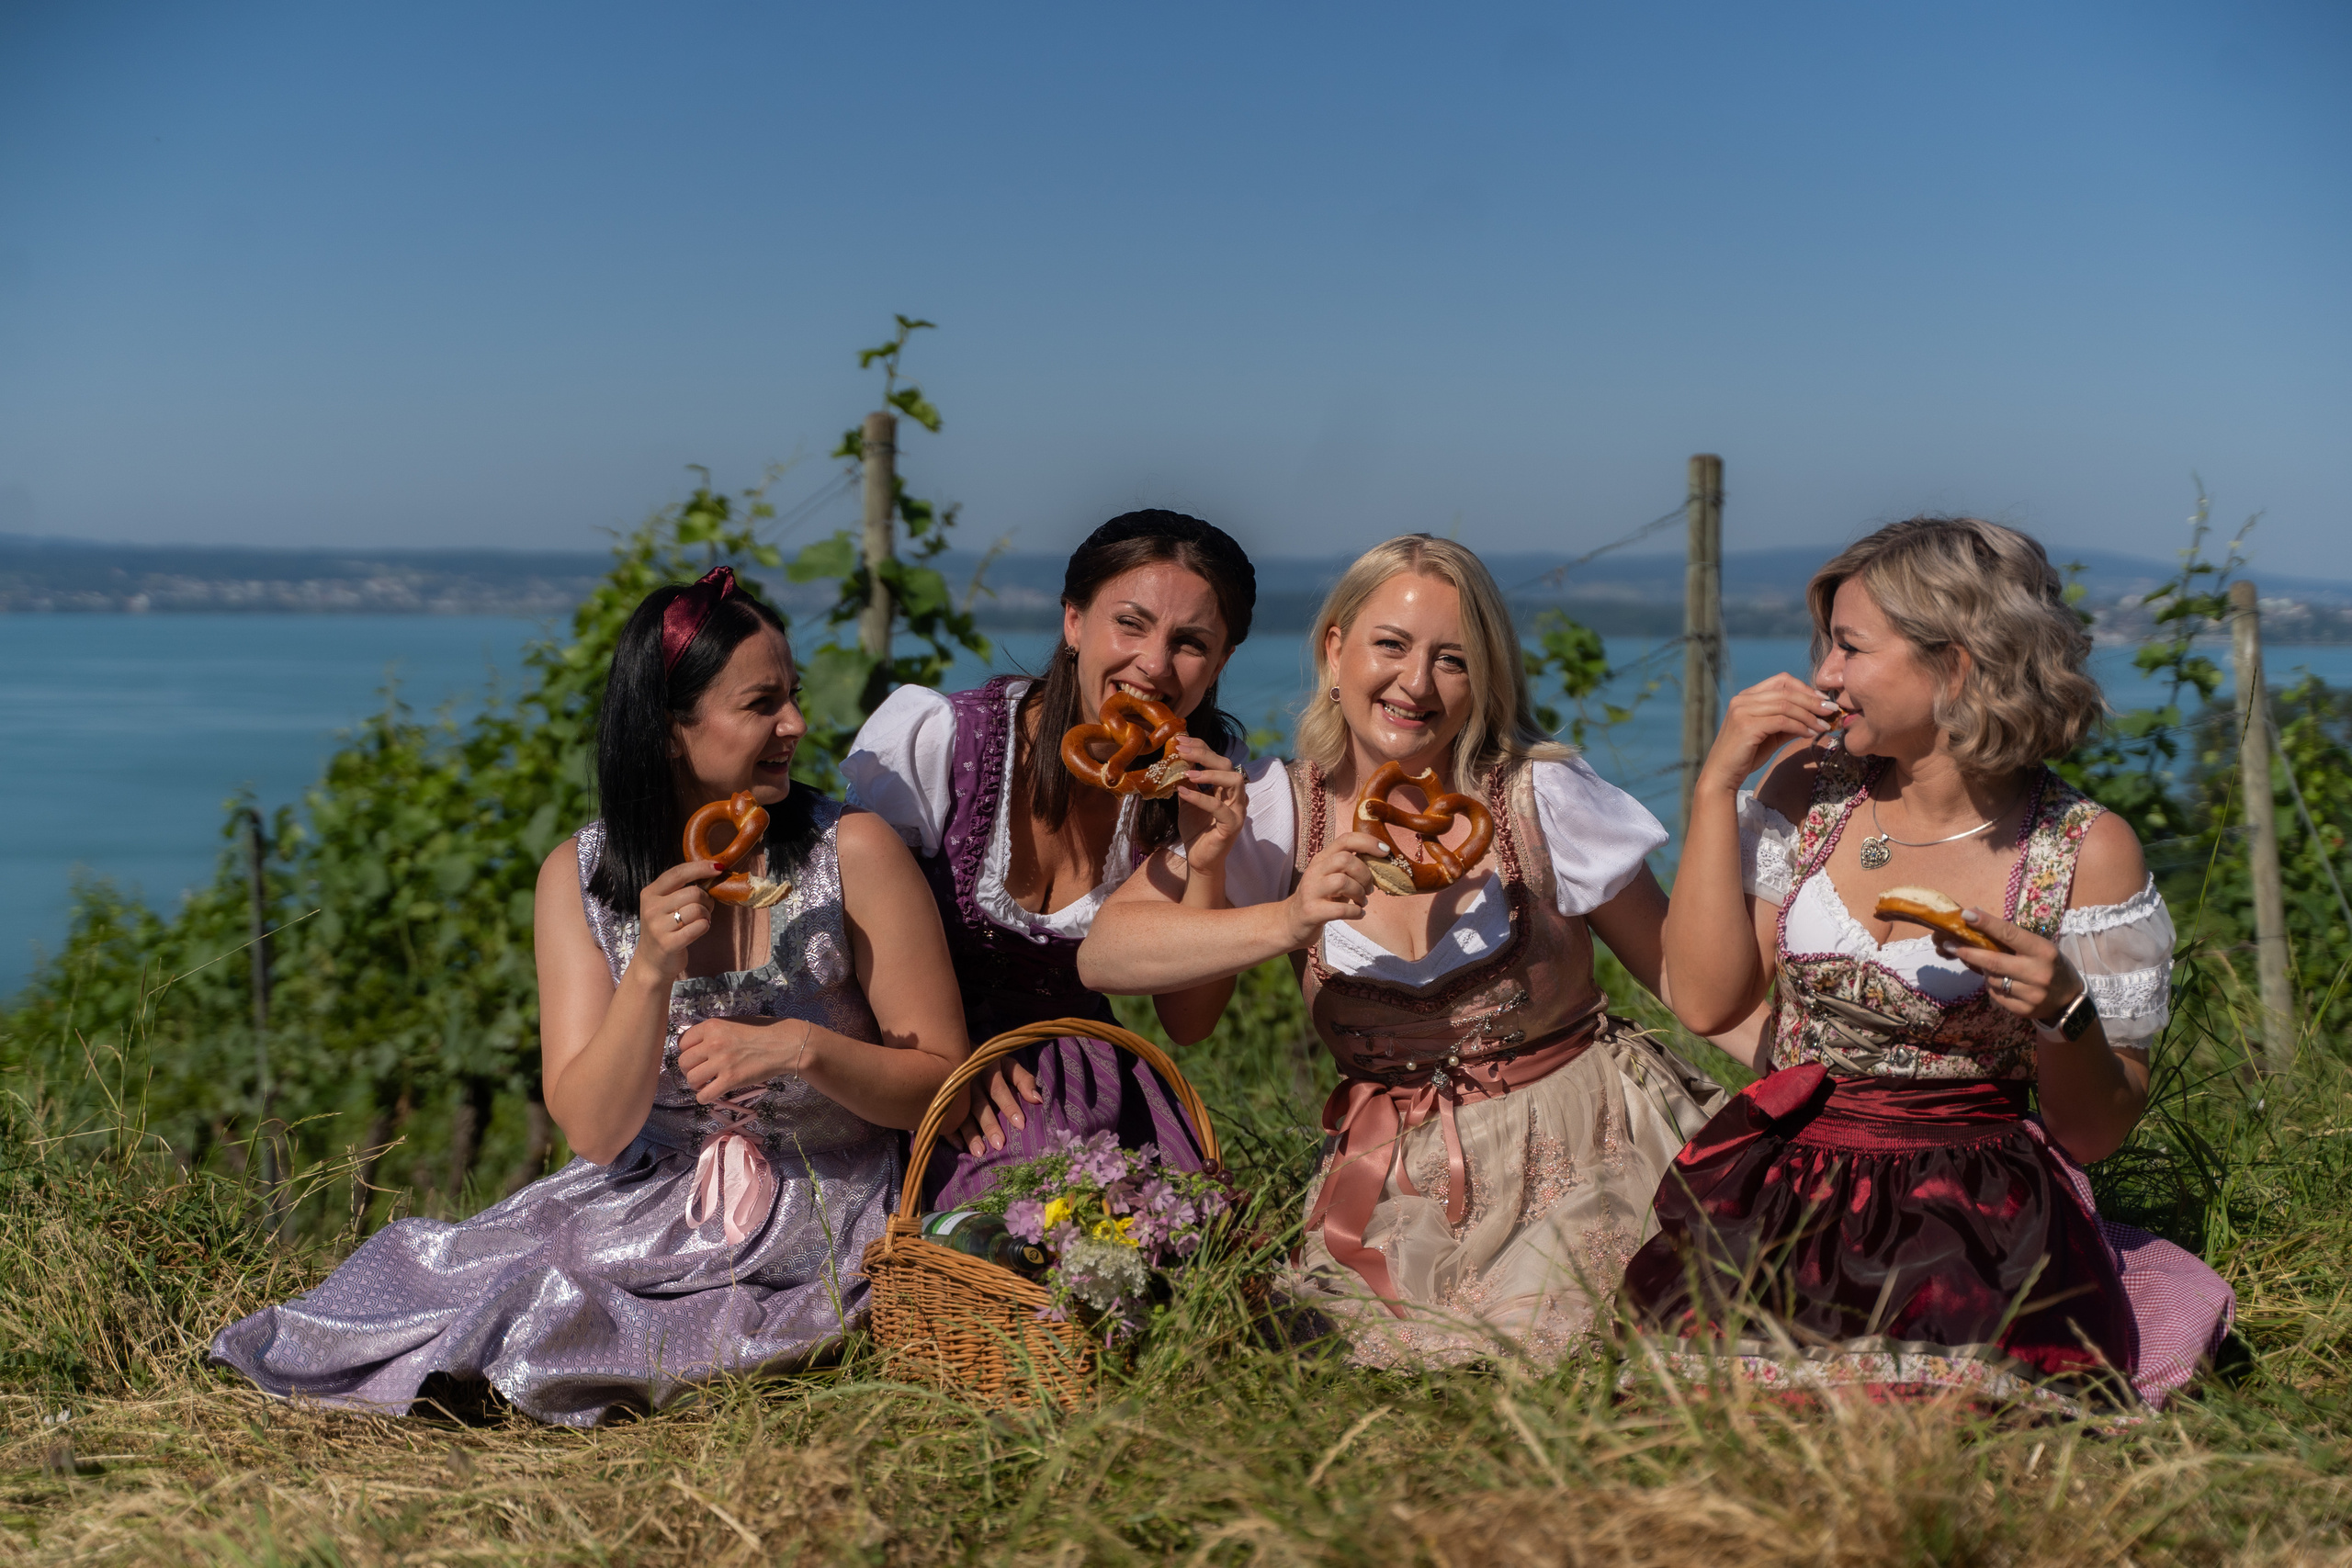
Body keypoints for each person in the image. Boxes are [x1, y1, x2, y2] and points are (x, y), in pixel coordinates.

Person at [211, 567, 969, 1426]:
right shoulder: (577, 878)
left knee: (617, 1328)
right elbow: (596, 1129)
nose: (795, 724)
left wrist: (803, 1048)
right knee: (490, 1296)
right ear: (670, 729)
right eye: (763, 704)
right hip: (648, 1202)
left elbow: (944, 1076)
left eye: (791, 697)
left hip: (828, 1202)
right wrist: (647, 967)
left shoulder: (852, 851)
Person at [1623, 517, 2234, 1410]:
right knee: (1722, 1412)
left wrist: (2064, 1011)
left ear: (1955, 663)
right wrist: (1719, 785)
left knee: (1934, 1410)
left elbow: (2095, 1132)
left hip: (1973, 1208)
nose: (1823, 675)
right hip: (1783, 1181)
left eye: (1848, 647)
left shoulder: (2083, 849)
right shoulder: (1805, 787)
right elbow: (1712, 1000)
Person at [1079, 535, 1723, 1366]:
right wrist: (1285, 917)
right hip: (1395, 1175)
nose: (1415, 684)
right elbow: (1107, 956)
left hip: (1583, 1139)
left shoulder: (1538, 795)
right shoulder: (1278, 810)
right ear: (1335, 648)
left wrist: (1835, 1073)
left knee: (1558, 1342)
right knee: (1341, 1357)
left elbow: (1690, 982)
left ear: (1483, 678)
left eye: (1452, 659)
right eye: (1391, 645)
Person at [841, 511, 1255, 1209]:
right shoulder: (942, 741)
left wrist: (1208, 857)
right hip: (916, 1067)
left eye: (1189, 643)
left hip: (1088, 1078)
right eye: (1130, 623)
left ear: (1219, 664)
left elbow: (1188, 1021)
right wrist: (950, 1063)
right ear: (1073, 622)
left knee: (1161, 1241)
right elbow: (840, 940)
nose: (1153, 664)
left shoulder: (1198, 790)